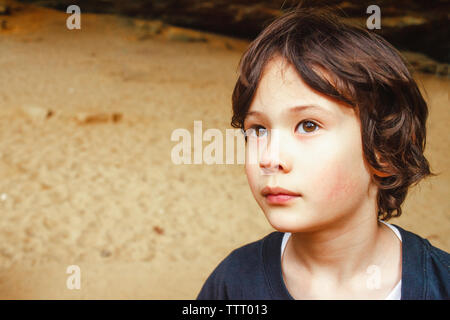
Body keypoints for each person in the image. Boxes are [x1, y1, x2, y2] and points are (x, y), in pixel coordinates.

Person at [196, 7, 449, 300]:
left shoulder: (442, 284)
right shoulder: (232, 284)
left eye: (308, 125)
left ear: (385, 150)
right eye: (259, 129)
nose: (268, 159)